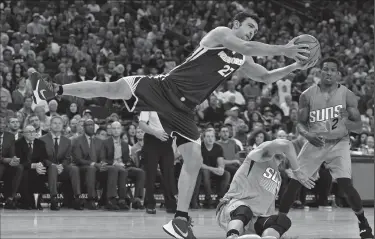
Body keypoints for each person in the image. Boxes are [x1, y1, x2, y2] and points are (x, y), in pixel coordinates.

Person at [32, 12, 315, 239]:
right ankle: (52, 89)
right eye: (249, 27)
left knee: (193, 158)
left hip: (183, 110)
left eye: (255, 31)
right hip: (165, 88)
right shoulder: (221, 35)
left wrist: (293, 67)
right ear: (236, 24)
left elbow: (265, 77)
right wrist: (285, 49)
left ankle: (180, 220)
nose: (251, 33)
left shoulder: (242, 57)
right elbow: (246, 46)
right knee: (112, 89)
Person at [278, 57, 374, 239]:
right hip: (316, 142)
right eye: (325, 69)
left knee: (346, 184)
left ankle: (363, 223)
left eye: (332, 70)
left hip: (339, 143)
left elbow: (359, 127)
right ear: (319, 72)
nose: (328, 72)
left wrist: (346, 120)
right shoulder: (307, 95)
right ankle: (279, 222)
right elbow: (300, 124)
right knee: (295, 183)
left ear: (338, 74)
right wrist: (307, 135)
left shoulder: (348, 95)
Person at [216, 139, 314, 239]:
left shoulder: (278, 178)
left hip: (254, 221)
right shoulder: (258, 157)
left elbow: (268, 209)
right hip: (232, 209)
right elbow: (286, 144)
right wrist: (297, 171)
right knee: (244, 210)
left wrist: (278, 231)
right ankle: (232, 235)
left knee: (283, 220)